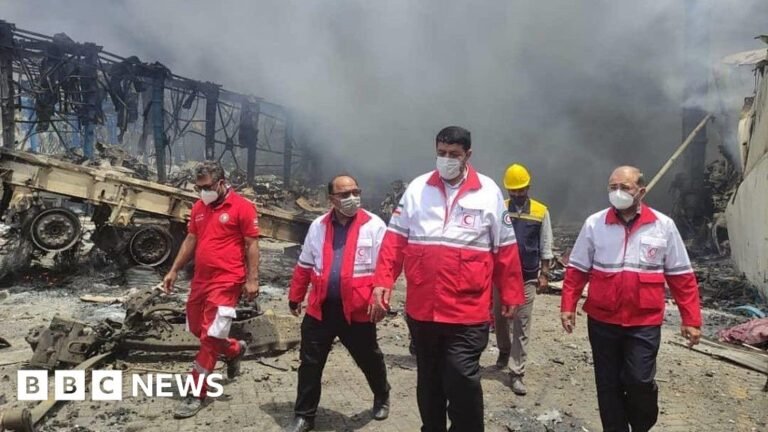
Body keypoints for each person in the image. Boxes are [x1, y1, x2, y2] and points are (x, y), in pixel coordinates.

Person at [371, 126, 525, 432]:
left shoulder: (488, 192)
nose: (446, 159)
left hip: (466, 310)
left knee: (462, 376)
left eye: (454, 154)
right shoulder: (418, 189)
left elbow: (506, 249)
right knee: (429, 380)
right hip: (423, 309)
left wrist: (511, 293)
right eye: (441, 153)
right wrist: (382, 281)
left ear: (468, 155)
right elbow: (394, 242)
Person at [560, 166, 702, 432]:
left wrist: (691, 319)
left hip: (644, 322)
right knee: (608, 384)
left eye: (624, 187)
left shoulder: (662, 226)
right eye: (612, 187)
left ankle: (641, 424)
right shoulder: (595, 224)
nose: (617, 192)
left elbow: (681, 277)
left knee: (640, 381)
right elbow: (577, 270)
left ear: (641, 191)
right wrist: (568, 306)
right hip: (602, 319)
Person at [284, 174, 391, 432]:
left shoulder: (374, 225)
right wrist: (296, 295)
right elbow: (305, 264)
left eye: (355, 192)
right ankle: (304, 415)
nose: (352, 198)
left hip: (357, 310)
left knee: (368, 358)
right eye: (344, 195)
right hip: (321, 309)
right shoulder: (318, 226)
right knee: (310, 364)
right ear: (331, 199)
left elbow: (386, 267)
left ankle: (382, 394)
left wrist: (382, 299)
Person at [162, 161, 261, 419]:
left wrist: (252, 279)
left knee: (210, 336)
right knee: (197, 328)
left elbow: (251, 244)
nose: (202, 192)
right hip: (201, 279)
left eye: (206, 187)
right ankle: (234, 349)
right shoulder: (199, 207)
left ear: (221, 183)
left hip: (228, 280)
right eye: (199, 188)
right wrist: (173, 270)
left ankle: (196, 392)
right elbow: (191, 239)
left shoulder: (242, 207)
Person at [492, 163, 554, 395]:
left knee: (522, 323)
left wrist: (544, 274)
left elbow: (545, 244)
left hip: (527, 276)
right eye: (513, 190)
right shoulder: (500, 208)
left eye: (521, 189)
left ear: (528, 187)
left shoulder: (540, 211)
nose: (517, 194)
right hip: (501, 275)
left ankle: (516, 372)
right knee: (499, 318)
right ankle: (504, 350)